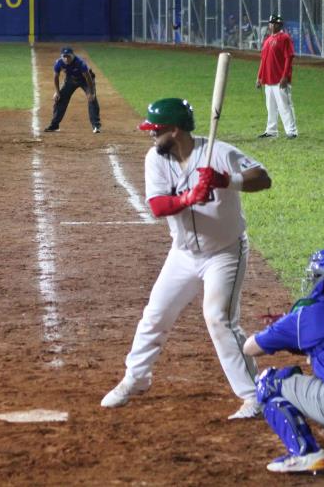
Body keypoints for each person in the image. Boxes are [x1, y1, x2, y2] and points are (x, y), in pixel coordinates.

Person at [101, 98, 272, 419]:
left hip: (224, 253)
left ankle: (253, 395)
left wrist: (226, 181)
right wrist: (191, 197)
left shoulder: (219, 152)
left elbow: (263, 178)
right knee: (155, 314)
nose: (152, 136)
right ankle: (135, 379)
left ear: (175, 130)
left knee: (219, 318)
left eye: (157, 131)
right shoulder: (156, 158)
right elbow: (157, 206)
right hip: (182, 254)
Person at [244, 249, 324, 473]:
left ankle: (305, 454)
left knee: (269, 381)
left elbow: (250, 348)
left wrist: (291, 335)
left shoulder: (307, 316)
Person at [256, 14, 298, 139]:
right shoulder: (268, 40)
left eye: (275, 23)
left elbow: (288, 58)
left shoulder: (285, 38)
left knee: (285, 106)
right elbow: (263, 60)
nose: (272, 25)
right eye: (271, 23)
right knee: (271, 107)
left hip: (280, 79)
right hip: (268, 79)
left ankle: (291, 131)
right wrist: (259, 77)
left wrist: (285, 76)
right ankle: (271, 131)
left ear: (280, 25)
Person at [44, 46, 101, 134]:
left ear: (73, 55)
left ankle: (96, 126)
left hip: (85, 80)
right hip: (71, 79)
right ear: (61, 56)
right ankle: (54, 126)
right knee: (60, 98)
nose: (66, 59)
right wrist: (57, 92)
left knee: (92, 100)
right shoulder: (59, 63)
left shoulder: (80, 63)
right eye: (64, 56)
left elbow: (88, 77)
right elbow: (56, 77)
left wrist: (91, 92)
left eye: (68, 56)